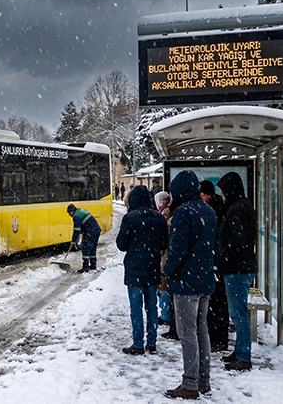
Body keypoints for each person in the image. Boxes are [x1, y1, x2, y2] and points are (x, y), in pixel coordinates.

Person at [163, 170, 217, 399]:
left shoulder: (184, 212)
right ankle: (203, 380)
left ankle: (190, 383)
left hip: (186, 283)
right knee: (201, 329)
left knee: (187, 333)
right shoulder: (209, 210)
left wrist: (167, 272)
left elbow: (177, 249)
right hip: (205, 279)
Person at [116, 185, 168, 355]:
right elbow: (163, 244)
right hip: (152, 269)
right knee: (152, 307)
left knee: (136, 307)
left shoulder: (129, 218)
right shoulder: (159, 218)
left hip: (134, 271)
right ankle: (152, 343)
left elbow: (121, 245)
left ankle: (138, 344)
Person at [216, 172, 257, 371]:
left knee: (238, 313)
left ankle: (243, 356)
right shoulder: (242, 205)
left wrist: (221, 257)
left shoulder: (239, 209)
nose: (222, 194)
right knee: (238, 311)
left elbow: (237, 240)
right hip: (240, 267)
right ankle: (240, 350)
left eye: (223, 190)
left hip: (238, 269)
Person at [200, 179, 229, 353]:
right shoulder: (218, 207)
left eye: (202, 195)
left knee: (217, 303)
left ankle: (218, 338)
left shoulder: (214, 210)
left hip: (217, 263)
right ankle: (216, 336)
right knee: (216, 302)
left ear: (208, 195)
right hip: (216, 262)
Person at [154, 191, 174, 330]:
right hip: (165, 254)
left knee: (163, 285)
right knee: (163, 285)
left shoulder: (165, 213)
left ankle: (166, 314)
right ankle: (166, 313)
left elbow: (163, 235)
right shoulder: (166, 211)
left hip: (165, 255)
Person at [67, 203, 101, 273]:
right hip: (96, 230)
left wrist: (73, 240)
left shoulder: (76, 216)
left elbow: (77, 230)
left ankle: (85, 267)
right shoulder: (80, 211)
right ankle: (93, 266)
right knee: (92, 249)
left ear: (72, 211)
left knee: (86, 249)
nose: (69, 215)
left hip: (90, 232)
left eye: (69, 213)